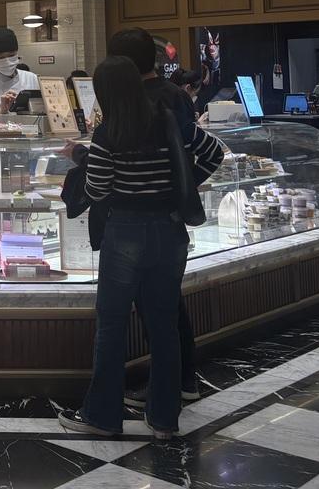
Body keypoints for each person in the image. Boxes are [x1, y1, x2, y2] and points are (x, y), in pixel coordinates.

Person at [60, 56, 224, 440]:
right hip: (170, 231)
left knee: (112, 325)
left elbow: (97, 189)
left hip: (125, 233)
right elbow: (214, 152)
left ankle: (102, 416)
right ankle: (164, 418)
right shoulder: (170, 120)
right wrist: (183, 184)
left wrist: (84, 164)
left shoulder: (109, 133)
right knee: (164, 324)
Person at [105, 28, 203, 407]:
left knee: (155, 309)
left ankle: (169, 388)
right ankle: (184, 379)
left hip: (140, 220)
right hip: (171, 218)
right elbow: (195, 149)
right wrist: (182, 187)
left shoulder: (135, 102)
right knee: (169, 305)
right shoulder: (176, 94)